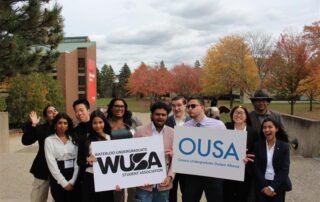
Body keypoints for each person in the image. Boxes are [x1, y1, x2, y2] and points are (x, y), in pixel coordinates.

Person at [182, 96, 226, 202]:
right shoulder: (185, 127)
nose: (189, 109)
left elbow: (226, 148)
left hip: (213, 173)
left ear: (202, 107)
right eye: (188, 106)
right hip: (192, 174)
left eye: (193, 106)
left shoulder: (218, 125)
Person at [134, 101, 175, 202]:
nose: (160, 117)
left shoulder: (173, 133)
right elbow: (132, 156)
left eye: (163, 115)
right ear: (151, 115)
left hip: (164, 185)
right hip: (144, 185)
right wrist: (139, 177)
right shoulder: (140, 131)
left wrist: (170, 177)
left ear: (167, 116)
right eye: (157, 114)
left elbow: (176, 159)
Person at [106, 98, 142, 202]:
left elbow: (144, 135)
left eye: (122, 106)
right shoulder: (106, 123)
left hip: (133, 162)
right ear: (111, 108)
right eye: (116, 106)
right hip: (114, 163)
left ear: (125, 108)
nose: (119, 108)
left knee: (133, 191)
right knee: (117, 193)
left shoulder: (133, 121)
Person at [22, 105, 58, 202]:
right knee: (38, 198)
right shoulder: (41, 129)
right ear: (46, 117)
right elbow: (26, 141)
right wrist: (33, 125)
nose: (54, 112)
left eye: (55, 110)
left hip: (60, 170)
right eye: (50, 112)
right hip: (42, 169)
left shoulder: (64, 127)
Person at [77, 110, 114, 202]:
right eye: (94, 123)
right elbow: (79, 161)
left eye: (100, 122)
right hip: (90, 178)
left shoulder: (111, 138)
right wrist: (87, 160)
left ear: (104, 122)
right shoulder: (85, 139)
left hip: (107, 178)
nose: (98, 126)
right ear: (91, 124)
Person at [223, 106, 258, 202]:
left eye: (241, 113)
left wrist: (248, 158)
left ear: (246, 116)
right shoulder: (226, 128)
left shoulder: (253, 132)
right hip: (227, 171)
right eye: (236, 112)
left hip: (245, 172)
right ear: (232, 115)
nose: (238, 115)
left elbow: (255, 153)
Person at [253, 118, 292, 202]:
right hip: (261, 185)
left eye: (270, 127)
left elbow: (284, 169)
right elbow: (256, 167)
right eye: (264, 127)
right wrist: (264, 186)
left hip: (278, 185)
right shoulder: (257, 146)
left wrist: (272, 187)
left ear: (276, 129)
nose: (267, 130)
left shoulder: (284, 147)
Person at [44, 112, 80, 202]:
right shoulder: (49, 140)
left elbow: (77, 160)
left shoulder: (74, 138)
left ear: (68, 125)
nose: (62, 125)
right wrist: (63, 183)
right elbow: (51, 164)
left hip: (73, 173)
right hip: (58, 175)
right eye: (59, 123)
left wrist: (73, 181)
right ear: (55, 125)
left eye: (65, 123)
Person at [165, 96, 190, 202]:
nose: (176, 108)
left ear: (185, 105)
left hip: (187, 164)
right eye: (174, 106)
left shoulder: (193, 122)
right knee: (170, 193)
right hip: (170, 163)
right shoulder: (166, 121)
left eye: (179, 105)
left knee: (188, 193)